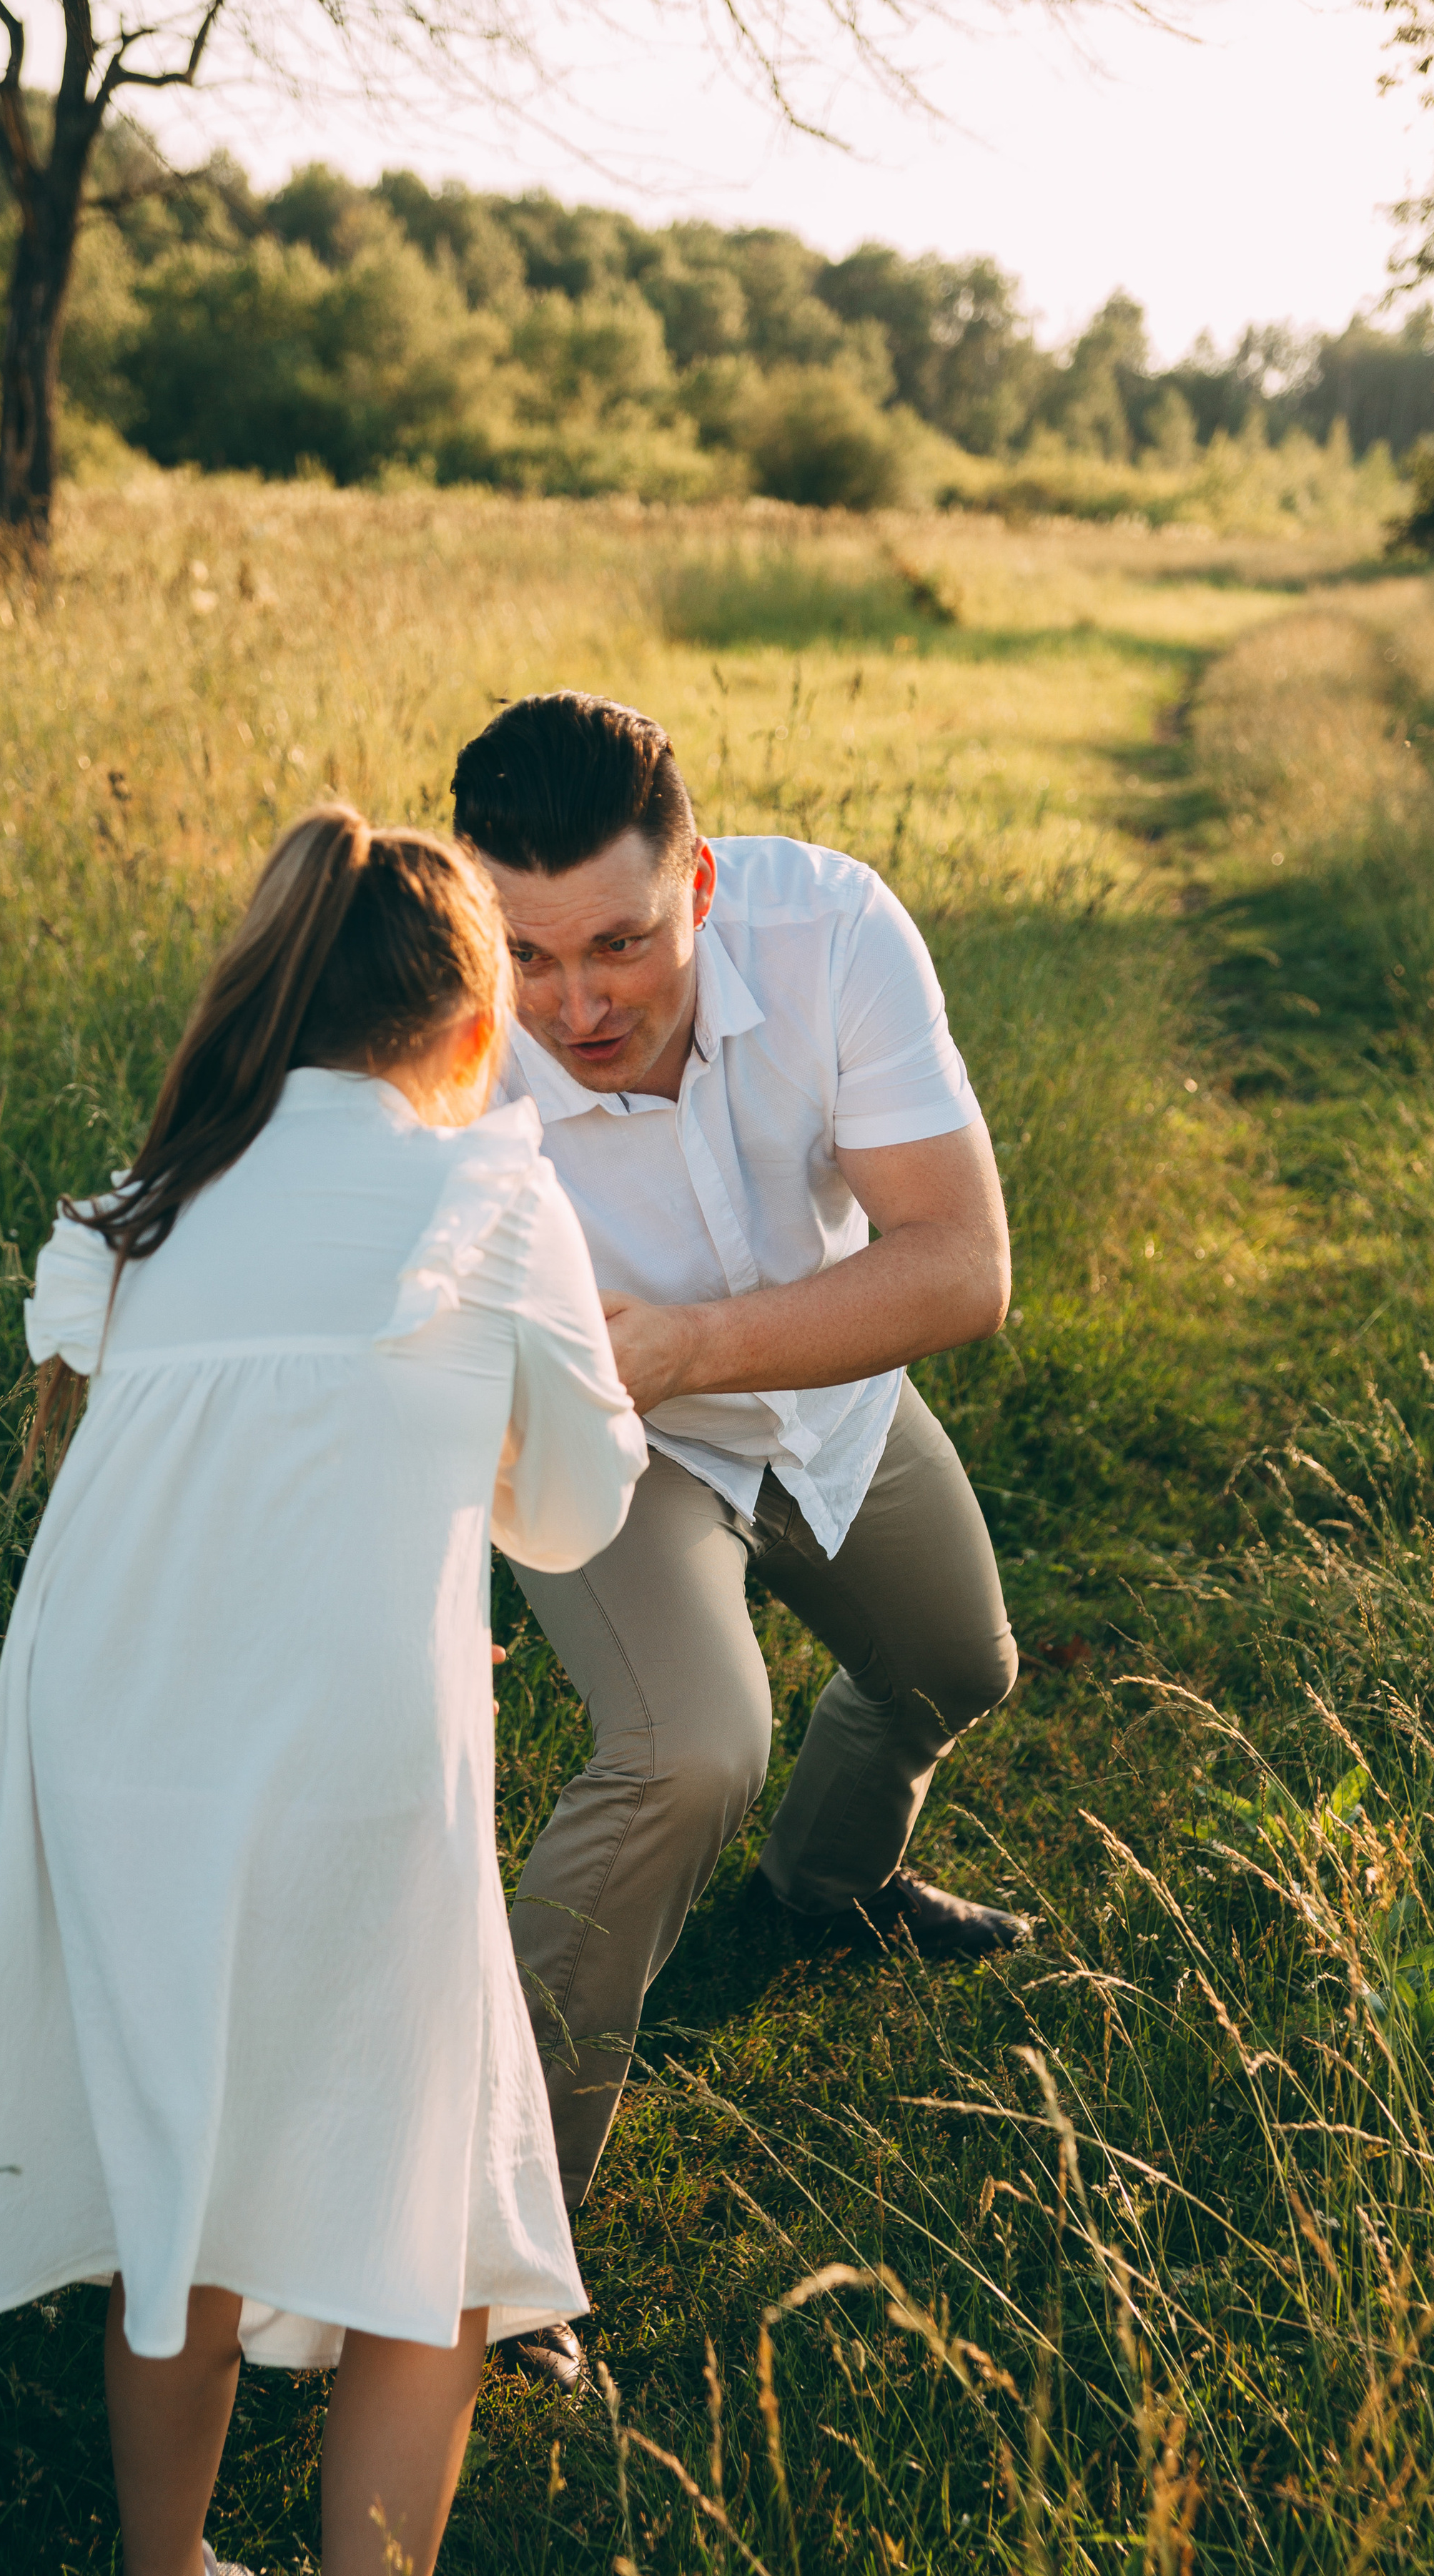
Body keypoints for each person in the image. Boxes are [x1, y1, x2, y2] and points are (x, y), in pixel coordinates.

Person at [0, 806, 647, 2576]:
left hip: (111, 1741)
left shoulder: (147, 1203)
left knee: (183, 2180)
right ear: (469, 1011)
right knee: (428, 2213)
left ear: (278, 992)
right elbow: (576, 1507)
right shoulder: (485, 1194)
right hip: (349, 1749)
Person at [450, 694, 1024, 2387]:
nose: (573, 1005)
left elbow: (959, 1268)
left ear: (695, 884)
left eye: (616, 944)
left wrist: (699, 1344)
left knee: (952, 1666)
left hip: (818, 1395)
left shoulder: (831, 928)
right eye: (528, 954)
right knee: (691, 1748)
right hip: (598, 1447)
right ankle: (496, 2242)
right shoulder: (441, 1023)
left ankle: (824, 1890)